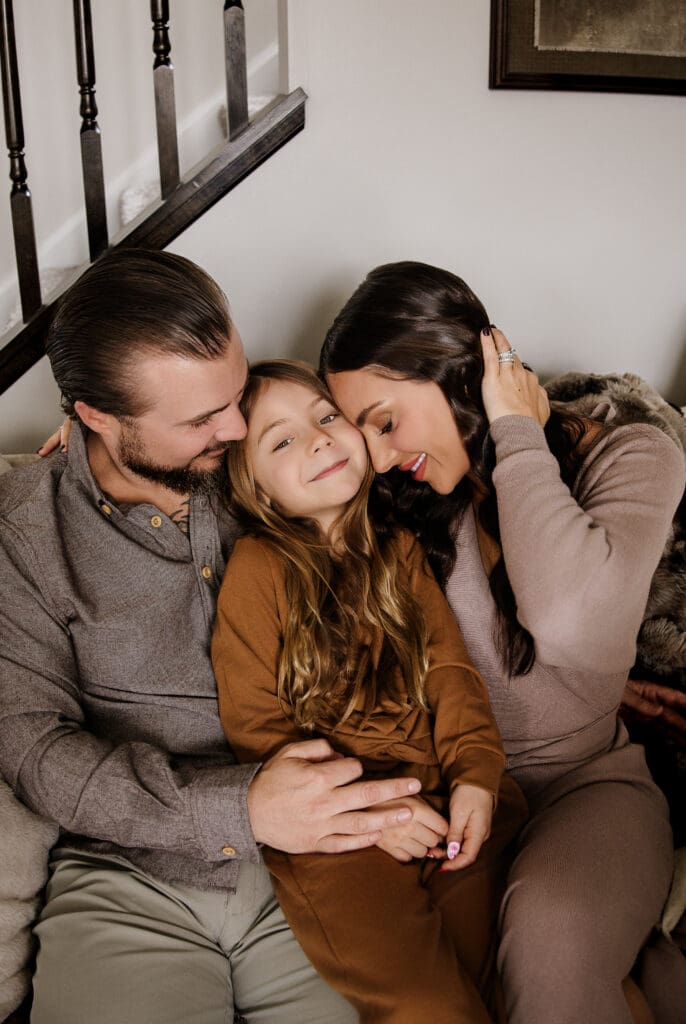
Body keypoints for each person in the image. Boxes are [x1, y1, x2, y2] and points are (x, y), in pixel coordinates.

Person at [0, 249, 428, 1024]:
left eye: (234, 396)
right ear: (94, 416)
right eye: (201, 419)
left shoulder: (275, 457)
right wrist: (242, 811)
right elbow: (33, 747)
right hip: (129, 880)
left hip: (326, 866)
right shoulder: (26, 532)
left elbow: (415, 536)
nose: (235, 427)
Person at [319, 261, 686, 1024]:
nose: (380, 458)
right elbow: (268, 468)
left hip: (588, 786)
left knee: (550, 931)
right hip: (447, 797)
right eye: (364, 435)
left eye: (386, 421)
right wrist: (110, 459)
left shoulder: (632, 455)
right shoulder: (402, 500)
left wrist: (516, 430)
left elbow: (569, 616)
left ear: (460, 371)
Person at [211, 359, 528, 1024]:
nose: (319, 438)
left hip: (445, 800)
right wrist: (371, 816)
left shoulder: (403, 552)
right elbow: (257, 727)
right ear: (258, 491)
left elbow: (451, 675)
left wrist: (475, 776)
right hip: (339, 832)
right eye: (283, 440)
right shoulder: (258, 568)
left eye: (327, 417)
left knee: (514, 979)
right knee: (427, 1003)